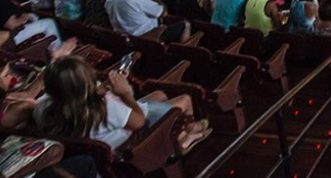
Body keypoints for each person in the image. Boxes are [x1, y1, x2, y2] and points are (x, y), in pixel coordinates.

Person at [34, 56, 211, 155]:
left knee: (160, 95)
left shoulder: (44, 106)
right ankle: (182, 138)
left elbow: (78, 99)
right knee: (186, 99)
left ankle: (187, 132)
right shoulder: (105, 109)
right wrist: (125, 93)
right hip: (131, 138)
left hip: (102, 132)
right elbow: (139, 121)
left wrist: (104, 89)